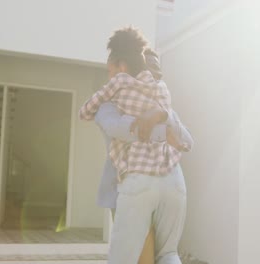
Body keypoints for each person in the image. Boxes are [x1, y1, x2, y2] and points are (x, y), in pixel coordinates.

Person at [79, 26, 192, 264]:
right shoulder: (161, 101)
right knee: (168, 253)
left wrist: (158, 120)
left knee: (126, 258)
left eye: (110, 69)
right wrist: (161, 118)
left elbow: (119, 127)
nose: (109, 76)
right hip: (174, 179)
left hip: (134, 183)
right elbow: (186, 140)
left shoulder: (111, 103)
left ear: (122, 66)